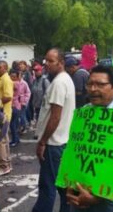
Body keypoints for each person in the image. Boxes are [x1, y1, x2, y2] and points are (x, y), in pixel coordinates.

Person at [66, 65, 113, 212]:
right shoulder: (83, 112)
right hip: (79, 196)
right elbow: (74, 154)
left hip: (111, 202)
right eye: (90, 84)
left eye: (100, 84)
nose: (93, 89)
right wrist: (70, 186)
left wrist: (96, 198)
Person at [33, 48, 75, 212]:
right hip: (61, 142)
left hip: (53, 143)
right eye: (46, 61)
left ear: (61, 63)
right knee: (63, 188)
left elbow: (55, 117)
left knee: (47, 187)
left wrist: (43, 142)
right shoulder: (64, 79)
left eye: (51, 61)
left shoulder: (59, 82)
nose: (47, 64)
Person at [0, 60, 13, 176]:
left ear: (5, 68)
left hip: (3, 114)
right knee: (4, 140)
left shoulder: (6, 79)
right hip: (2, 113)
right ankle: (6, 164)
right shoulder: (2, 78)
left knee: (0, 141)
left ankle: (3, 166)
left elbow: (8, 97)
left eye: (0, 67)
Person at [9, 69, 31, 147]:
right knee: (14, 124)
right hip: (13, 105)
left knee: (13, 124)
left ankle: (15, 140)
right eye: (11, 76)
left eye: (14, 76)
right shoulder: (12, 82)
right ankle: (16, 139)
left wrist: (24, 101)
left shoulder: (18, 83)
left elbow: (28, 93)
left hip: (17, 105)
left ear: (18, 76)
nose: (12, 78)